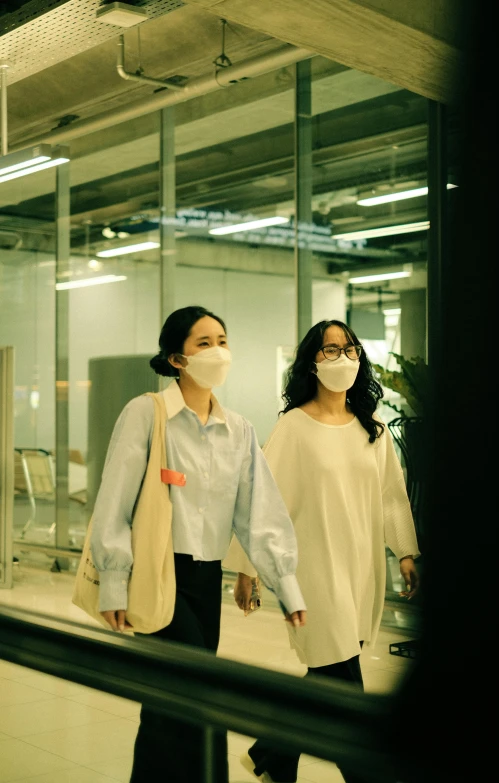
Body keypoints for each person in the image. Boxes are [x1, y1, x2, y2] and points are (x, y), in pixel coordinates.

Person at [89, 304, 307, 783]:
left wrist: (285, 585)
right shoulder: (147, 414)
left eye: (223, 341)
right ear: (176, 359)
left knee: (167, 706)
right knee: (201, 699)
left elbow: (259, 513)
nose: (218, 352)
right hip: (159, 574)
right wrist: (112, 581)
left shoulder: (239, 431)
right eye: (203, 343)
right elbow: (115, 500)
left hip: (206, 582)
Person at [228, 318, 420, 783]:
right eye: (330, 350)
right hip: (312, 570)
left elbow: (392, 496)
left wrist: (407, 553)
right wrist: (246, 569)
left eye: (349, 349)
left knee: (329, 671)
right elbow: (263, 501)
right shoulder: (293, 428)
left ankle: (273, 753)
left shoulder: (371, 429)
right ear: (311, 364)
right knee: (342, 680)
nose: (342, 358)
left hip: (359, 569)